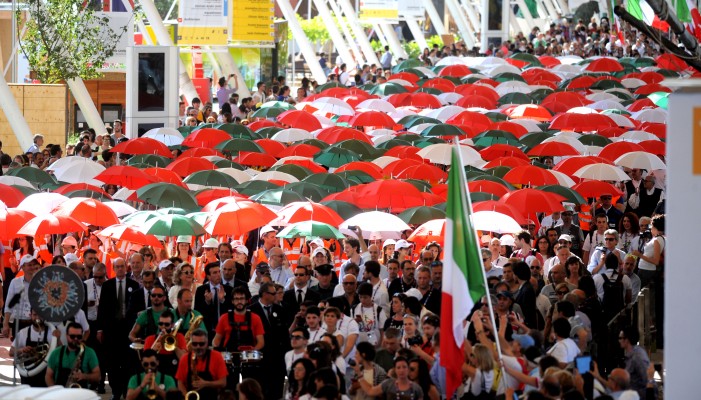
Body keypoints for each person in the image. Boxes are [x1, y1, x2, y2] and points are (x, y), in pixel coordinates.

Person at [97, 257, 140, 399]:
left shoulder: (134, 285)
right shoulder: (107, 285)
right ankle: (115, 391)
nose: (120, 269)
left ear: (125, 267)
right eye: (117, 267)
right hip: (112, 330)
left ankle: (125, 390)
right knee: (113, 363)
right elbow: (102, 309)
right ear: (114, 269)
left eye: (122, 266)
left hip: (128, 329)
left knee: (127, 362)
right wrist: (100, 329)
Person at [248, 282, 288, 399]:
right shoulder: (251, 311)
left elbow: (285, 335)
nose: (276, 296)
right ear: (265, 294)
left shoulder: (280, 310)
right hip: (260, 360)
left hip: (277, 359)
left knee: (276, 392)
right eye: (273, 293)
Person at [10, 309, 57, 387]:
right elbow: (11, 352)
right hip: (27, 374)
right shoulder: (23, 332)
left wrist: (57, 339)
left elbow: (59, 351)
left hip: (46, 374)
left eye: (40, 315)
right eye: (35, 315)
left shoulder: (51, 332)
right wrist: (21, 350)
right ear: (30, 315)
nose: (37, 318)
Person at [175, 329, 228, 398]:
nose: (198, 347)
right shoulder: (185, 358)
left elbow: (223, 383)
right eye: (194, 344)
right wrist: (187, 397)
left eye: (201, 344)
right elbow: (180, 383)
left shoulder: (217, 356)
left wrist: (205, 383)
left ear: (207, 343)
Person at [45, 322, 100, 387]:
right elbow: (48, 376)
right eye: (72, 336)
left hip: (81, 395)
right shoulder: (56, 352)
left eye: (79, 337)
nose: (76, 339)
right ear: (66, 335)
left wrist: (85, 376)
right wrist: (55, 391)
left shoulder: (89, 352)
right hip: (60, 394)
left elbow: (98, 377)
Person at [3, 255, 40, 338]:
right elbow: (9, 305)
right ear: (22, 267)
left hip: (35, 323)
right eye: (29, 265)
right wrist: (5, 324)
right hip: (18, 323)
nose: (32, 267)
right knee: (18, 350)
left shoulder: (40, 282)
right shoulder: (15, 282)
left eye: (33, 265)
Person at [142, 309, 187, 378]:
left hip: (174, 373)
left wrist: (172, 345)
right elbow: (144, 362)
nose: (163, 327)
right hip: (156, 374)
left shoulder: (179, 337)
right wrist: (153, 350)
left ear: (172, 325)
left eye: (166, 324)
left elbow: (184, 359)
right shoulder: (150, 339)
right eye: (161, 324)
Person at [355, 356, 424, 399]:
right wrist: (359, 373)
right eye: (398, 368)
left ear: (408, 369)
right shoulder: (388, 384)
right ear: (395, 369)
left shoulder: (416, 388)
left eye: (404, 367)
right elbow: (370, 391)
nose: (401, 370)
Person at [195, 262, 232, 341]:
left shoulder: (229, 289)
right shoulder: (201, 290)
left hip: (224, 330)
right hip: (207, 331)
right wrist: (207, 302)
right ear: (208, 276)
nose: (218, 275)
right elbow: (197, 312)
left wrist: (222, 300)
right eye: (215, 273)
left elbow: (231, 311)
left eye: (219, 272)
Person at [631, 214, 665, 288]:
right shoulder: (656, 238)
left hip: (647, 270)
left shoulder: (657, 239)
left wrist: (640, 255)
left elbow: (656, 261)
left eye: (651, 226)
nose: (650, 228)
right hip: (644, 268)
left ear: (656, 226)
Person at [352, 282, 386, 347]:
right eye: (360, 297)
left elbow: (382, 331)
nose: (362, 300)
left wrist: (380, 345)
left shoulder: (379, 310)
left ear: (371, 296)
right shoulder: (354, 309)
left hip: (375, 344)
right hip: (359, 344)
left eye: (365, 297)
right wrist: (354, 321)